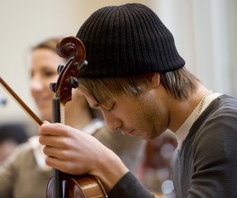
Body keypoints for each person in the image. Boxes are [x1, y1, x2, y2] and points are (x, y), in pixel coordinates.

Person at [38, 3, 237, 198]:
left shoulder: (225, 127)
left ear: (149, 78)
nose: (111, 125)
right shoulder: (187, 144)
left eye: (111, 105)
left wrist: (106, 165)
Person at [0, 37, 144, 198]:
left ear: (79, 82)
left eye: (46, 73)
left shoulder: (116, 135)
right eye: (32, 76)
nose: (35, 86)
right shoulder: (24, 157)